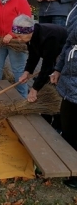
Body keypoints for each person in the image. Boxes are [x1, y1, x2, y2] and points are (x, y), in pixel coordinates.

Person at [13, 14, 67, 129]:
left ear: (28, 31)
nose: (18, 40)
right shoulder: (30, 36)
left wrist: (34, 88)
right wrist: (27, 72)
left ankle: (58, 125)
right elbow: (33, 56)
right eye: (16, 36)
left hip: (65, 62)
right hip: (53, 60)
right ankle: (46, 118)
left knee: (56, 89)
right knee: (45, 85)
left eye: (19, 36)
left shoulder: (49, 36)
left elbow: (47, 66)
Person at [50, 14, 77, 189]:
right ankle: (69, 165)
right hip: (69, 83)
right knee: (68, 128)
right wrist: (58, 69)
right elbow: (68, 43)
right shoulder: (74, 13)